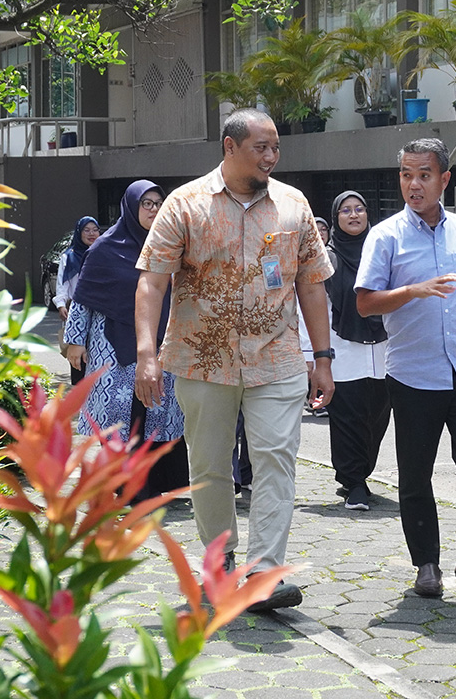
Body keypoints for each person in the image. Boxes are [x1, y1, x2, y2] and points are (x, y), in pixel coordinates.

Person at [134, 108, 334, 613]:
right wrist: (146, 354)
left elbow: (312, 286)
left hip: (277, 358)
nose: (271, 157)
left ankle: (265, 572)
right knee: (208, 466)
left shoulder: (294, 205)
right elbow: (152, 282)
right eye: (260, 148)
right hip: (202, 360)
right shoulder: (184, 204)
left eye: (275, 148)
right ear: (229, 146)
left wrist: (323, 357)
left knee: (276, 460)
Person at [355, 138, 456, 598]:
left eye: (424, 175)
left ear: (444, 179)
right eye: (406, 175)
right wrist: (413, 290)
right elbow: (365, 303)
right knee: (416, 472)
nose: (414, 184)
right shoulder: (385, 236)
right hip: (413, 374)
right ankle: (426, 564)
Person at [64, 182, 188, 498]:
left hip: (160, 344)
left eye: (159, 203)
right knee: (120, 415)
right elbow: (83, 298)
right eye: (146, 203)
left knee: (156, 412)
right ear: (131, 207)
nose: (154, 210)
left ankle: (153, 484)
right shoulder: (104, 248)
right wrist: (75, 340)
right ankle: (123, 483)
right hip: (112, 347)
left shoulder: (169, 245)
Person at [325, 191, 391, 512]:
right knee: (347, 419)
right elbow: (318, 308)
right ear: (336, 217)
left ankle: (359, 473)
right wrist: (316, 356)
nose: (354, 215)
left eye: (359, 209)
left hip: (383, 350)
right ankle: (354, 482)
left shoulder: (382, 254)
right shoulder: (328, 258)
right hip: (342, 351)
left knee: (377, 418)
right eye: (346, 210)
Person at [55, 216, 100, 384]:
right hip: (77, 311)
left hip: (100, 309)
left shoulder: (103, 253)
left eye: (95, 230)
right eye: (86, 230)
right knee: (77, 355)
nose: (91, 234)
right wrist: (61, 305)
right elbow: (63, 284)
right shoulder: (69, 257)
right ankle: (79, 392)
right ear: (79, 233)